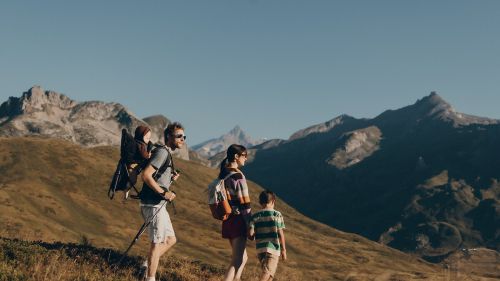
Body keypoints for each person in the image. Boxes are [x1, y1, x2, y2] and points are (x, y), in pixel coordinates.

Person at [138, 122, 186, 281]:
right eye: (179, 136)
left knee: (171, 240)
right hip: (153, 204)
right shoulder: (162, 153)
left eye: (184, 136)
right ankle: (149, 277)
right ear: (168, 137)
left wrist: (170, 180)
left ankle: (146, 265)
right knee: (156, 243)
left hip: (158, 204)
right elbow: (146, 175)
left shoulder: (165, 154)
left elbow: (157, 178)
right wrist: (164, 193)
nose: (182, 139)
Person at [219, 144, 251, 281]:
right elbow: (245, 203)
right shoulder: (238, 176)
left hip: (227, 220)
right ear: (236, 156)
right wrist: (250, 224)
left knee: (243, 258)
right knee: (237, 261)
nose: (246, 159)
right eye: (244, 155)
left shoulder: (224, 174)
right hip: (238, 220)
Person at [248, 190, 287, 281]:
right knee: (267, 272)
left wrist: (253, 235)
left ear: (260, 202)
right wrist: (284, 250)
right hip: (273, 249)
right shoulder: (277, 215)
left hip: (260, 250)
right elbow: (280, 234)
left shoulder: (255, 216)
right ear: (273, 201)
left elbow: (250, 235)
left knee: (270, 274)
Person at [124, 125, 152, 199]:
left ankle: (144, 190)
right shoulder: (138, 144)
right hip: (133, 164)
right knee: (132, 180)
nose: (148, 139)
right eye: (146, 138)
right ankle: (126, 189)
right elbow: (143, 154)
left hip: (140, 164)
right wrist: (148, 156)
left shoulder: (145, 145)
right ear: (140, 136)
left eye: (149, 138)